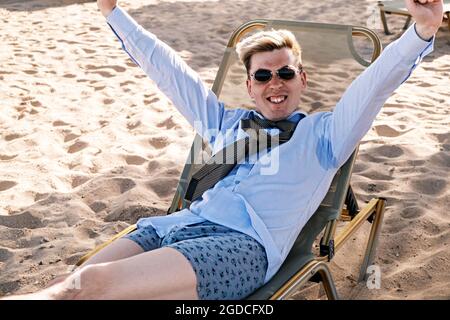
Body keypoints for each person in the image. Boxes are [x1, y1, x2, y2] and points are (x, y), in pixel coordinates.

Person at [5, 0, 443, 300]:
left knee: (91, 285)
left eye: (286, 73)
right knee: (70, 283)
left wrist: (422, 31)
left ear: (302, 80)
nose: (276, 83)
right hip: (174, 226)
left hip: (241, 248)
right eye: (264, 76)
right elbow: (168, 71)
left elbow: (374, 86)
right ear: (249, 87)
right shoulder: (225, 124)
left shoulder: (325, 136)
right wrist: (112, 11)